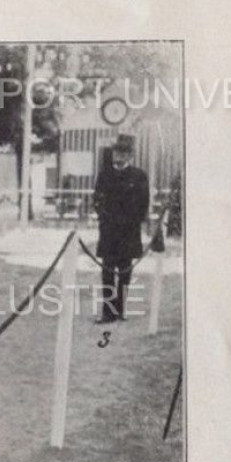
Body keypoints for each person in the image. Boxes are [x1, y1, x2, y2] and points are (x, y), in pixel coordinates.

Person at [92, 134, 150, 323]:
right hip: (109, 232)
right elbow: (97, 200)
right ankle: (108, 312)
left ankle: (121, 310)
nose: (120, 156)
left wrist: (133, 222)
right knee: (107, 272)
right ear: (113, 153)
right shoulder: (104, 174)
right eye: (117, 152)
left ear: (130, 156)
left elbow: (143, 204)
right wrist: (104, 218)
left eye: (124, 153)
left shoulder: (139, 176)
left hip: (128, 233)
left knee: (125, 273)